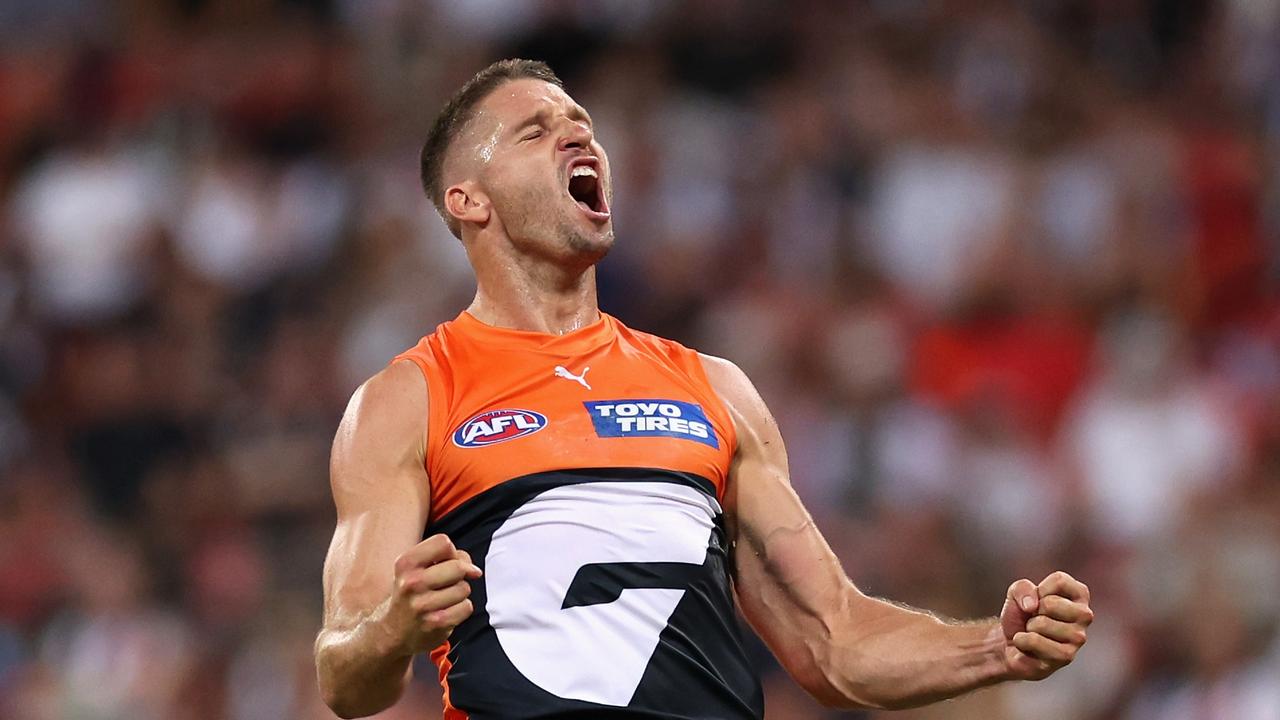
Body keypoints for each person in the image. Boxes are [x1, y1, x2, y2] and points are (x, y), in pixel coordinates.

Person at [313, 59, 1093, 719]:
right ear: (468, 200)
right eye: (535, 131)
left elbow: (834, 641)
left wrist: (997, 644)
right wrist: (391, 627)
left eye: (581, 123)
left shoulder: (712, 389)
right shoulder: (409, 398)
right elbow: (344, 676)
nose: (579, 135)